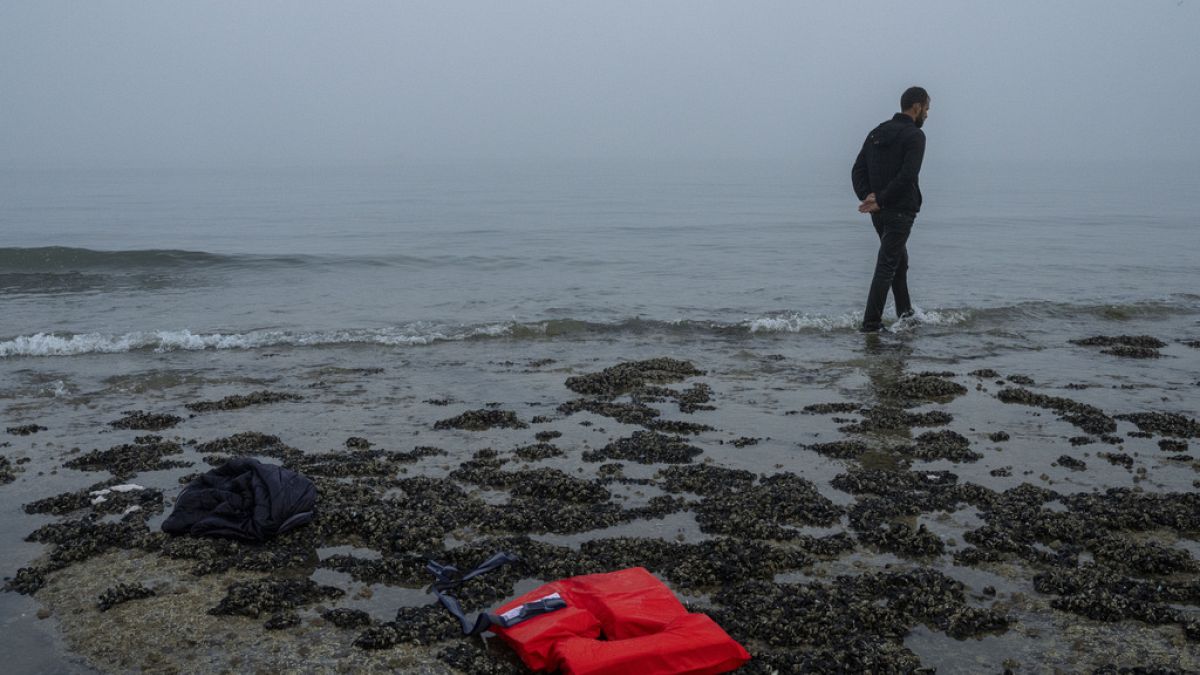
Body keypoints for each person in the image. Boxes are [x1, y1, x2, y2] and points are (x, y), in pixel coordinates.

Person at [851, 86, 931, 333]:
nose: (927, 115)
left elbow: (857, 170)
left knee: (898, 262)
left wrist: (869, 197)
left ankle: (906, 315)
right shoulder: (915, 136)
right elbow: (907, 175)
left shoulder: (877, 132)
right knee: (887, 264)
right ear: (916, 107)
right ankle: (871, 324)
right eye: (927, 109)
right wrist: (879, 199)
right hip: (899, 210)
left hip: (880, 212)